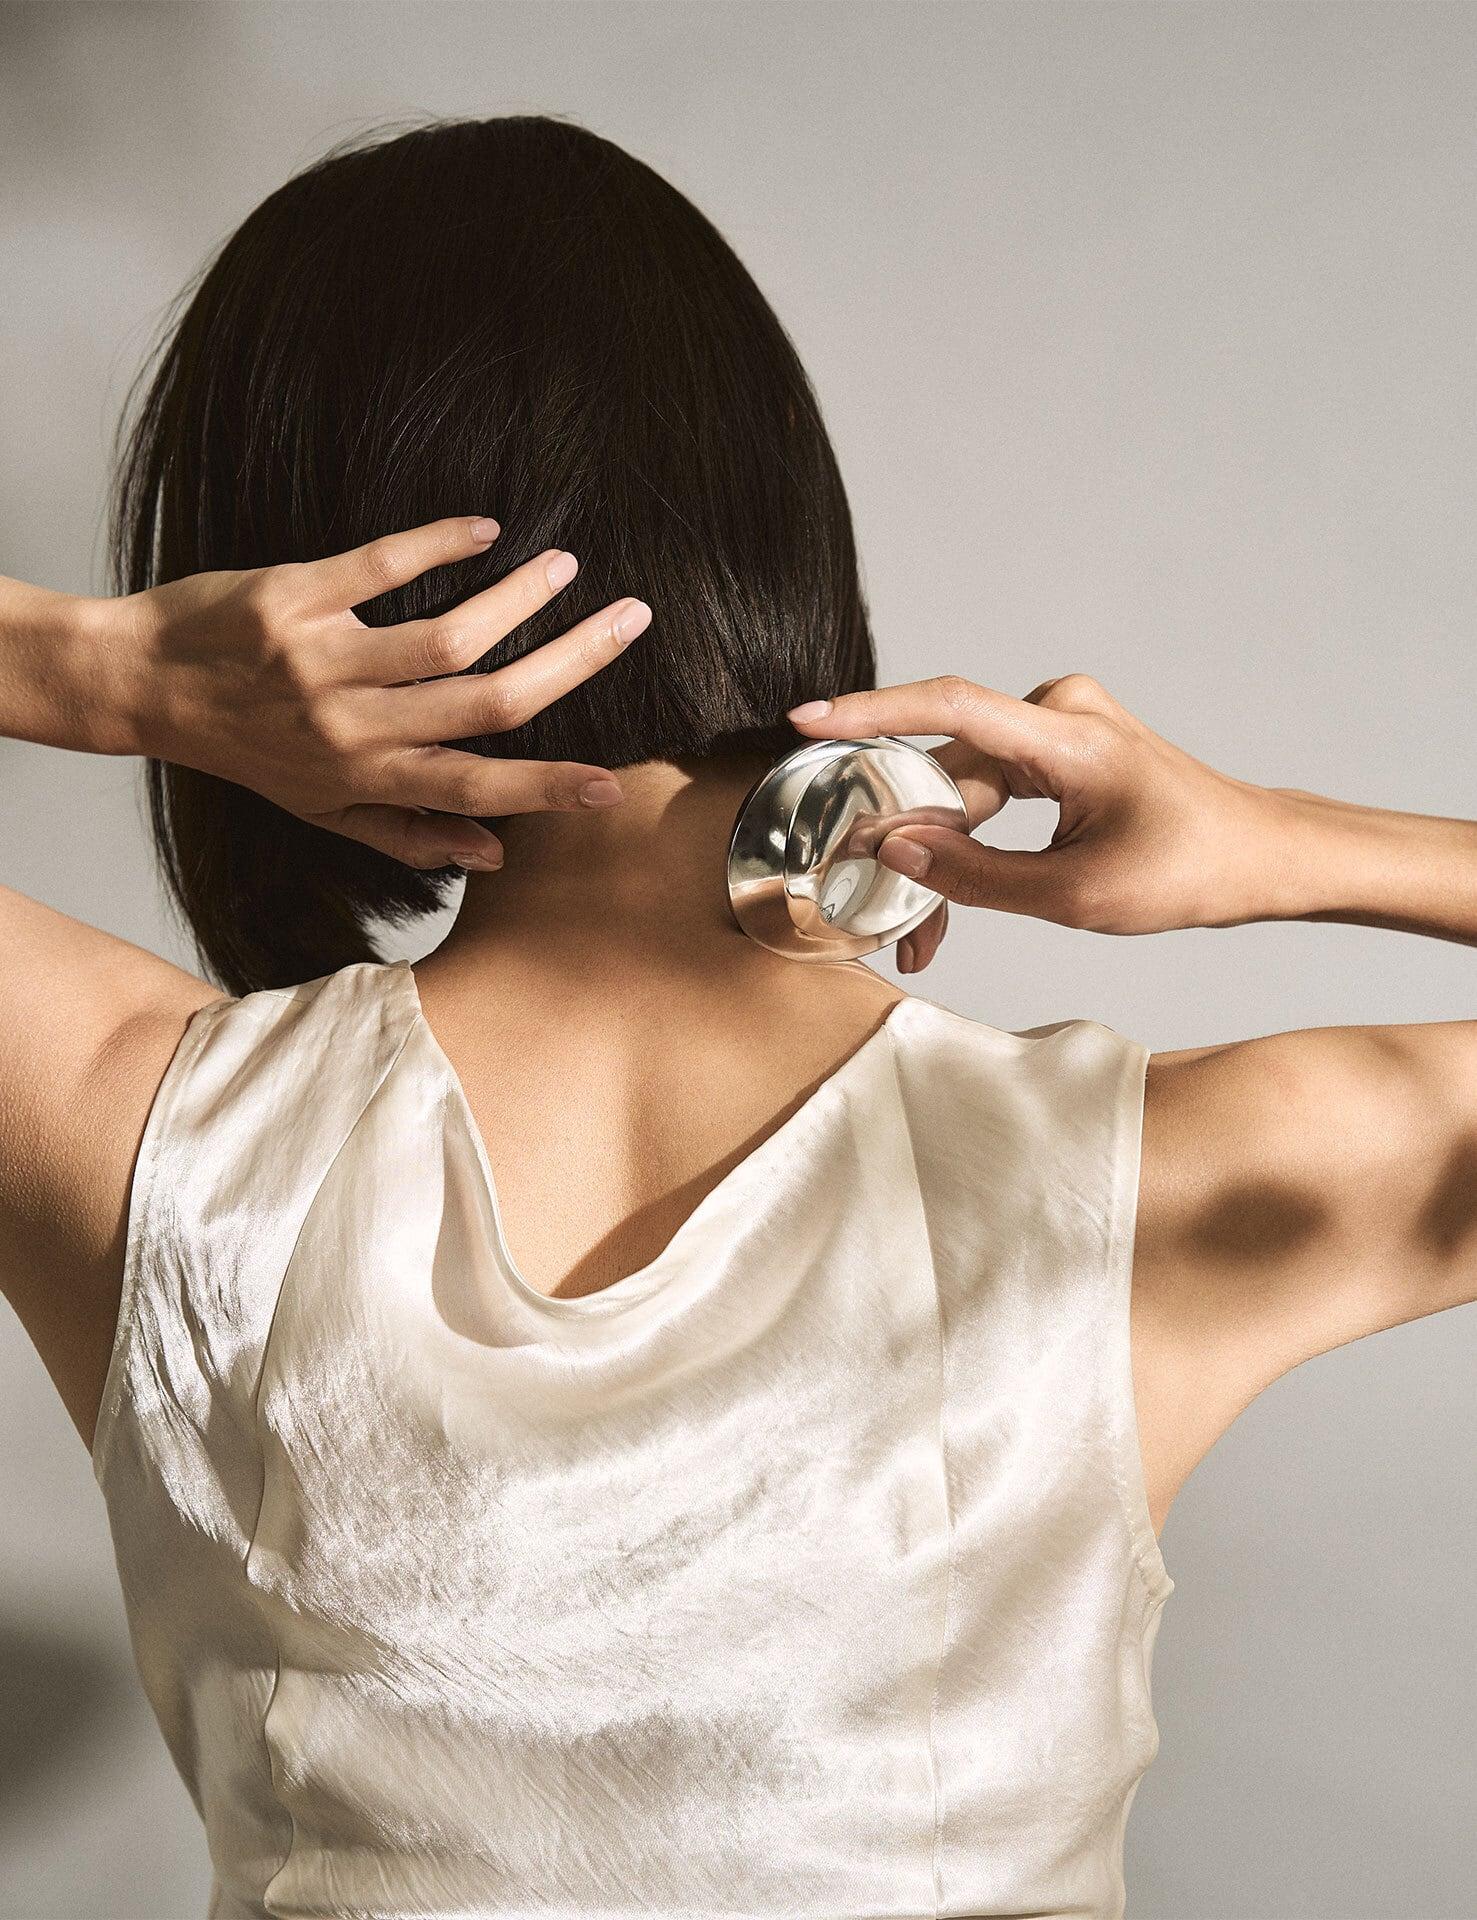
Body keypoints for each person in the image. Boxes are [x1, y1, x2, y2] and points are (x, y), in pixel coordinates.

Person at [1, 114, 1471, 1920]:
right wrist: (1285, 843)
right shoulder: (1137, 1196)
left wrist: (91, 669)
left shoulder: (147, 1136)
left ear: (253, 574)